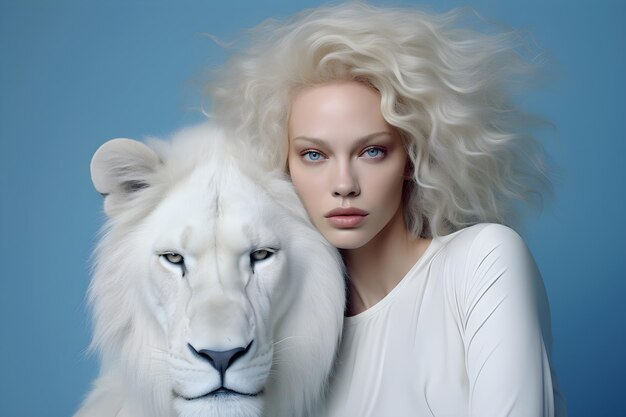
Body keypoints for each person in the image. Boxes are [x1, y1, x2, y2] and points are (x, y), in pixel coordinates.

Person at [209, 2, 567, 416]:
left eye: (372, 151)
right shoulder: (288, 335)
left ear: (411, 158)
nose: (344, 184)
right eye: (314, 155)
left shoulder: (482, 261)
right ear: (282, 164)